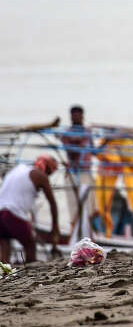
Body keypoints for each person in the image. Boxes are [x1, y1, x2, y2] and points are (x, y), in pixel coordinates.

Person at [0, 156, 61, 264]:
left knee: (4, 244)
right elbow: (52, 203)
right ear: (47, 168)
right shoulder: (40, 175)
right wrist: (55, 227)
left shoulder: (19, 169)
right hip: (12, 214)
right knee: (30, 245)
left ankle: (5, 273)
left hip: (1, 212)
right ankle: (29, 268)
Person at [59, 105, 94, 237]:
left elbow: (93, 149)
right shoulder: (67, 133)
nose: (77, 118)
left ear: (82, 116)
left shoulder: (88, 132)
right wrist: (80, 142)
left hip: (86, 172)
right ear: (71, 117)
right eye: (74, 116)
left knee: (89, 207)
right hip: (73, 173)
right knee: (74, 208)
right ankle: (75, 235)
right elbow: (71, 151)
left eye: (79, 115)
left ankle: (89, 235)